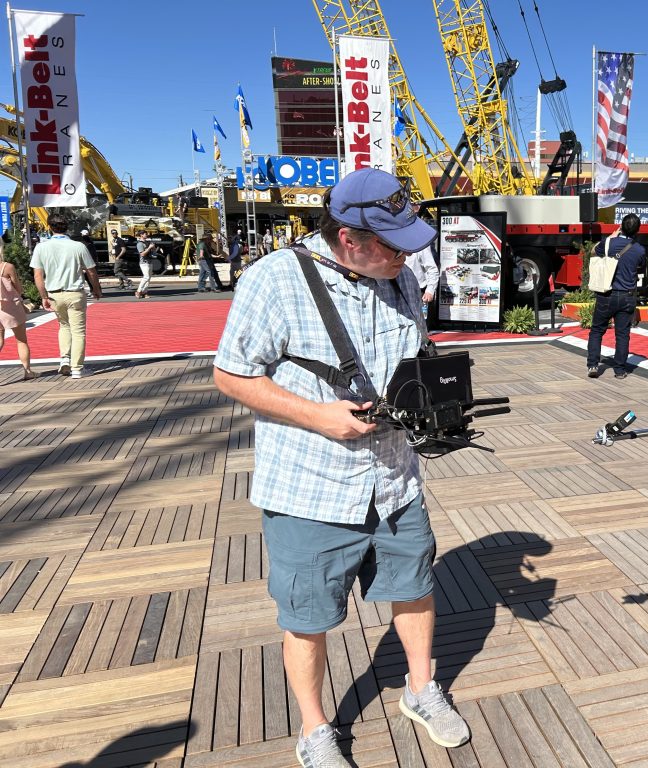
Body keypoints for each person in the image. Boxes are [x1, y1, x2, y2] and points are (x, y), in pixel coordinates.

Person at [213, 167, 471, 767]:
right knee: (309, 614)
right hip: (312, 483)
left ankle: (420, 690)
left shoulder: (401, 281)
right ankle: (314, 728)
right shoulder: (274, 280)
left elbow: (411, 358)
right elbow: (229, 373)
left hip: (395, 476)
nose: (406, 258)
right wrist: (316, 415)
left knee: (415, 586)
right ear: (350, 238)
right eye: (393, 245)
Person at [30, 213, 102, 378]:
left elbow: (37, 276)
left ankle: (64, 359)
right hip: (75, 292)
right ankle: (77, 368)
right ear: (67, 227)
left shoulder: (41, 247)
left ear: (49, 227)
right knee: (78, 331)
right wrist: (96, 288)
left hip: (54, 293)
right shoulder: (78, 246)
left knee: (63, 326)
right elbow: (91, 270)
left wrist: (43, 296)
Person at [586, 213, 646, 379]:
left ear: (621, 226)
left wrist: (611, 237)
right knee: (622, 334)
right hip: (627, 296)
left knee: (597, 330)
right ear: (637, 230)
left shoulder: (609, 243)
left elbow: (592, 252)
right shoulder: (639, 250)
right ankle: (619, 370)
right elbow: (641, 268)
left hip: (606, 294)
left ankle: (592, 365)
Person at [0, 245, 37, 379]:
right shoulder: (7, 267)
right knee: (21, 340)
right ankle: (27, 372)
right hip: (11, 306)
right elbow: (18, 287)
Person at [135, 231, 155, 298]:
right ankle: (138, 291)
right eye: (145, 234)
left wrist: (153, 247)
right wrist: (149, 247)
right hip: (144, 262)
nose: (147, 235)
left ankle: (144, 292)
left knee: (148, 278)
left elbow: (152, 251)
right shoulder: (139, 244)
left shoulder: (147, 242)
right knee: (146, 277)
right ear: (141, 235)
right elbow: (142, 254)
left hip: (149, 261)